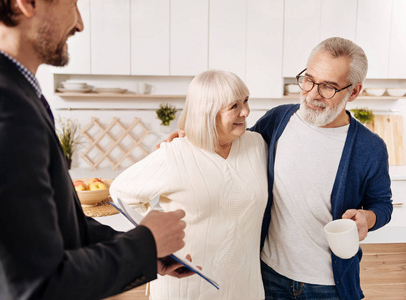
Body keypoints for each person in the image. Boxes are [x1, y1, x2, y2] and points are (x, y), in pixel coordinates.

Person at [0, 1, 192, 299]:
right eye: (73, 4)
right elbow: (39, 286)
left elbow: (49, 228)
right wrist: (146, 243)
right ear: (27, 4)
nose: (79, 23)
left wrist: (145, 249)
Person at [248, 37, 393, 300]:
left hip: (328, 284)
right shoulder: (278, 119)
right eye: (309, 79)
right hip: (268, 273)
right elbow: (236, 151)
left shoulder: (370, 148)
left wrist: (368, 219)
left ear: (354, 91)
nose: (313, 94)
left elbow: (382, 204)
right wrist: (186, 143)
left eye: (328, 87)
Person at [109, 69, 268, 300]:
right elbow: (120, 191)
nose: (245, 111)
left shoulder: (257, 145)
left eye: (245, 100)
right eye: (234, 106)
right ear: (207, 112)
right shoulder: (175, 153)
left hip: (245, 288)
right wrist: (158, 238)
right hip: (186, 287)